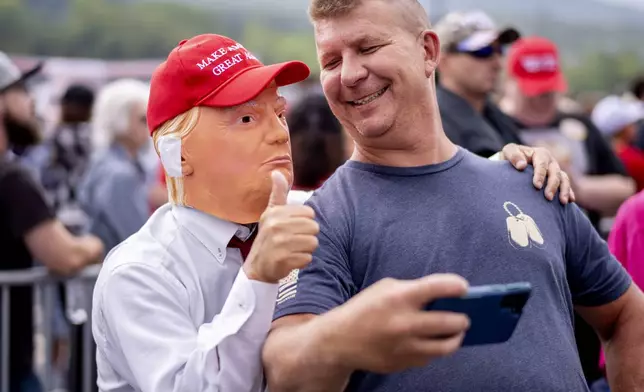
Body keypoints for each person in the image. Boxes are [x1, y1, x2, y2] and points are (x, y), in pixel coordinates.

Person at [92, 32, 572, 392]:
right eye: (245, 118)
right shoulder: (138, 273)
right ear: (176, 152)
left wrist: (504, 171)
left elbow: (415, 198)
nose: (280, 133)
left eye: (278, 113)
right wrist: (257, 278)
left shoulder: (314, 213)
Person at [261, 2, 644, 392]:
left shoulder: (530, 182)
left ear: (428, 51)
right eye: (330, 61)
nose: (350, 74)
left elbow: (626, 312)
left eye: (369, 48)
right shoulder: (323, 217)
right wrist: (341, 339)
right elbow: (284, 368)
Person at [0, 51, 103, 392]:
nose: (31, 102)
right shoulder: (11, 178)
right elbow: (65, 256)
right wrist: (95, 245)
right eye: (20, 91)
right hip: (9, 366)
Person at [78, 79, 153, 254]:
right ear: (120, 119)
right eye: (142, 119)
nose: (149, 125)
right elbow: (135, 237)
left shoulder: (104, 161)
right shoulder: (120, 174)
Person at [434, 10, 523, 157]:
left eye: (499, 50)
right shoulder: (434, 125)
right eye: (483, 50)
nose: (497, 63)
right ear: (443, 60)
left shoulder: (498, 118)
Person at [591, 95, 644, 191]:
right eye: (632, 124)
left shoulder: (596, 155)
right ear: (624, 128)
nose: (636, 128)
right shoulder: (634, 159)